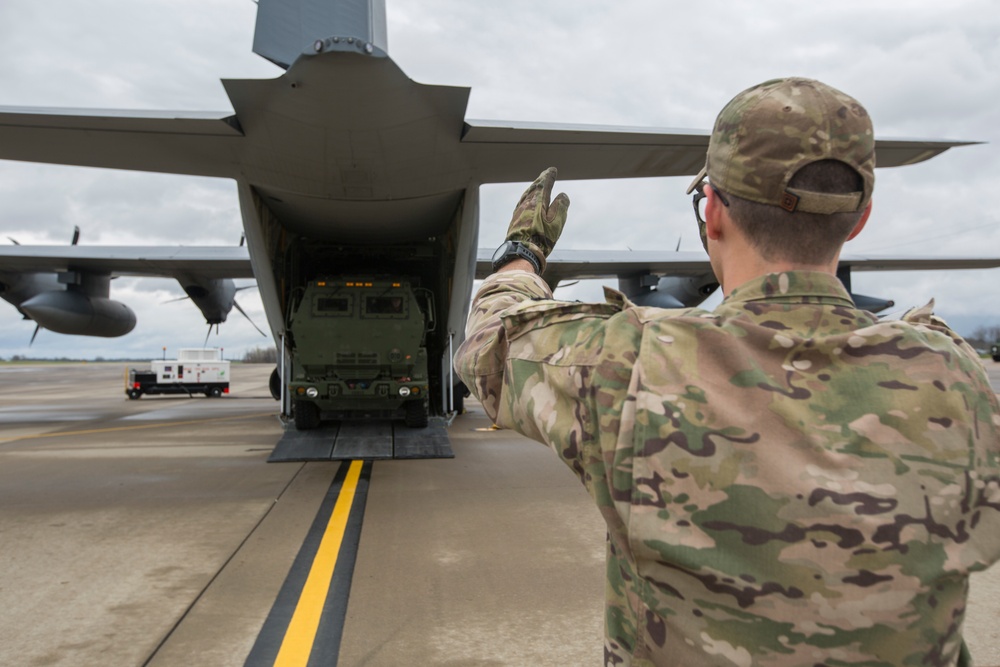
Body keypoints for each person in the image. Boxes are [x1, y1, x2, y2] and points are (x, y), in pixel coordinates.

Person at [454, 77, 1000, 666]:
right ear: (861, 217)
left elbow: (491, 339)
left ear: (712, 211)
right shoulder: (958, 378)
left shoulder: (631, 365)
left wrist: (523, 248)